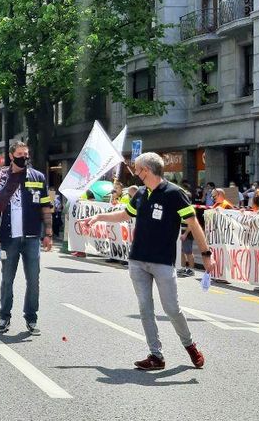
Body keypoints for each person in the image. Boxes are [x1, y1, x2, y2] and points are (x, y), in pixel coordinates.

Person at [81, 152, 213, 371]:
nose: (136, 173)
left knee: (172, 309)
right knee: (145, 309)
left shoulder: (174, 194)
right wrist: (98, 217)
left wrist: (206, 255)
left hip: (162, 262)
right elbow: (125, 215)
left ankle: (190, 346)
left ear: (147, 170)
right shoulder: (140, 193)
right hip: (138, 260)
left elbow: (194, 224)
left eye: (138, 169)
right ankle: (156, 356)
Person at [0, 142, 53, 336]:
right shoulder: (0, 178)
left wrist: (48, 233)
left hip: (32, 237)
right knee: (7, 279)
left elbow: (45, 207)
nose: (24, 157)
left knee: (33, 279)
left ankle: (31, 318)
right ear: (11, 156)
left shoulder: (38, 177)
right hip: (8, 238)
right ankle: (4, 316)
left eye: (26, 154)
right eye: (20, 154)